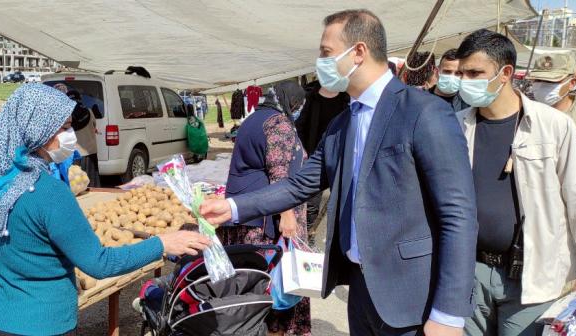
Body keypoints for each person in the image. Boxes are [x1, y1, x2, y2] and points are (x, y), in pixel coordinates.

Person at [201, 9, 477, 336]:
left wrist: (448, 313)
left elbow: (458, 214)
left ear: (358, 52)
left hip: (411, 297)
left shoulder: (424, 113)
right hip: (361, 289)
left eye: (326, 53)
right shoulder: (342, 124)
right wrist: (233, 207)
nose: (320, 62)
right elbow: (299, 184)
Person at [0, 84, 210, 335]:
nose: (72, 135)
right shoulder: (48, 192)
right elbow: (98, 263)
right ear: (38, 129)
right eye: (65, 128)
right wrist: (162, 244)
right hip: (39, 324)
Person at [454, 29, 576, 336]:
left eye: (475, 72)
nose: (465, 81)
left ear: (505, 72)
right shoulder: (456, 125)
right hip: (469, 273)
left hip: (534, 280)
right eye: (462, 72)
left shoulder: (554, 127)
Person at [218, 81, 310, 335]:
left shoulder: (254, 119)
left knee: (251, 290)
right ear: (290, 102)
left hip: (246, 216)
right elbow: (280, 173)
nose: (299, 109)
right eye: (298, 105)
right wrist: (288, 214)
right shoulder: (278, 123)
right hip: (265, 224)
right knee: (274, 288)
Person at [527, 52, 576, 179]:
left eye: (551, 80)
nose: (542, 85)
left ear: (572, 83)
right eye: (538, 80)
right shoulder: (522, 116)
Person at [295, 81, 349, 243]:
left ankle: (338, 238)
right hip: (314, 156)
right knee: (311, 202)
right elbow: (300, 126)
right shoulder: (311, 98)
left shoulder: (346, 100)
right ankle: (307, 236)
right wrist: (304, 151)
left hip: (341, 157)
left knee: (342, 201)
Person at [66, 89, 101, 187]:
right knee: (92, 182)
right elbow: (94, 126)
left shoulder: (67, 116)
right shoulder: (89, 111)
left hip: (76, 154)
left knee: (78, 184)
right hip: (91, 152)